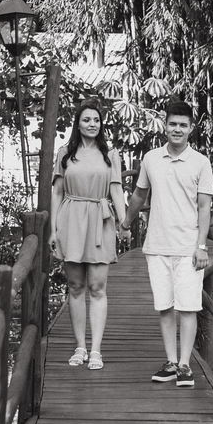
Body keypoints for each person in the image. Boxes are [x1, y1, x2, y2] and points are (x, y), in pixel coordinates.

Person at [120, 99, 213, 388]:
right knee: (165, 307)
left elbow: (204, 207)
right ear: (165, 125)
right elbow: (139, 195)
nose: (177, 129)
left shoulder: (201, 162)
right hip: (157, 245)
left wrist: (201, 246)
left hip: (188, 247)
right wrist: (125, 223)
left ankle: (185, 365)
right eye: (173, 124)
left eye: (183, 125)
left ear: (191, 128)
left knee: (188, 307)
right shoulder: (150, 159)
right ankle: (171, 362)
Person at [49, 101, 128, 371]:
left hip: (100, 219)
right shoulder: (65, 153)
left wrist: (124, 222)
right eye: (87, 120)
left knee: (97, 287)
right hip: (70, 218)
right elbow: (57, 192)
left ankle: (96, 349)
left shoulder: (110, 155)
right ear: (78, 124)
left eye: (96, 120)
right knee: (75, 286)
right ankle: (80, 346)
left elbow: (116, 190)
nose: (92, 124)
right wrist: (53, 230)